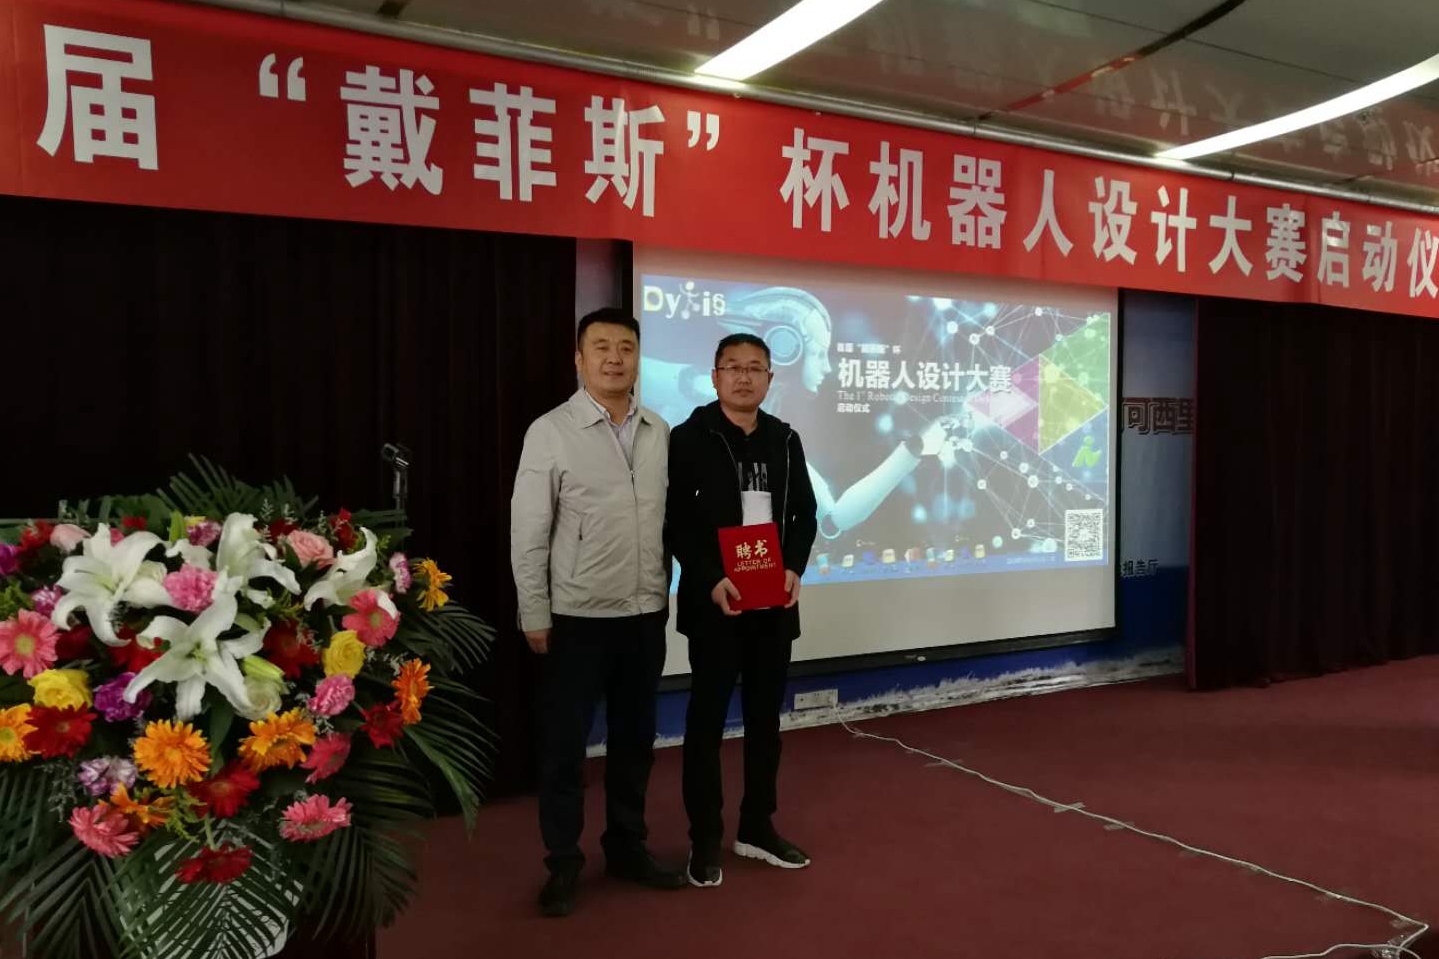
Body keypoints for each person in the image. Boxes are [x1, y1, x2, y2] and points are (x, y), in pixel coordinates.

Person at [510, 307, 684, 917]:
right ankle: (563, 861)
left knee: (636, 742)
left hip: (644, 614)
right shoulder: (551, 431)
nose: (615, 358)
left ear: (639, 358)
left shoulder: (659, 430)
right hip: (575, 618)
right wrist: (534, 610)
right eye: (602, 347)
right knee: (564, 748)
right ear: (580, 359)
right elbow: (529, 529)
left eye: (626, 347)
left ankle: (627, 847)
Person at [665, 332, 820, 887]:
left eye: (755, 368)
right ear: (715, 377)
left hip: (772, 603)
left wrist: (794, 566)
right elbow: (677, 522)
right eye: (733, 367)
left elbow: (804, 513)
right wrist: (711, 579)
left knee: (764, 722)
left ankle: (756, 826)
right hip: (716, 604)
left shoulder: (785, 439)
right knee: (706, 723)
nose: (744, 376)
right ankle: (704, 839)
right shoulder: (689, 437)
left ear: (770, 379)